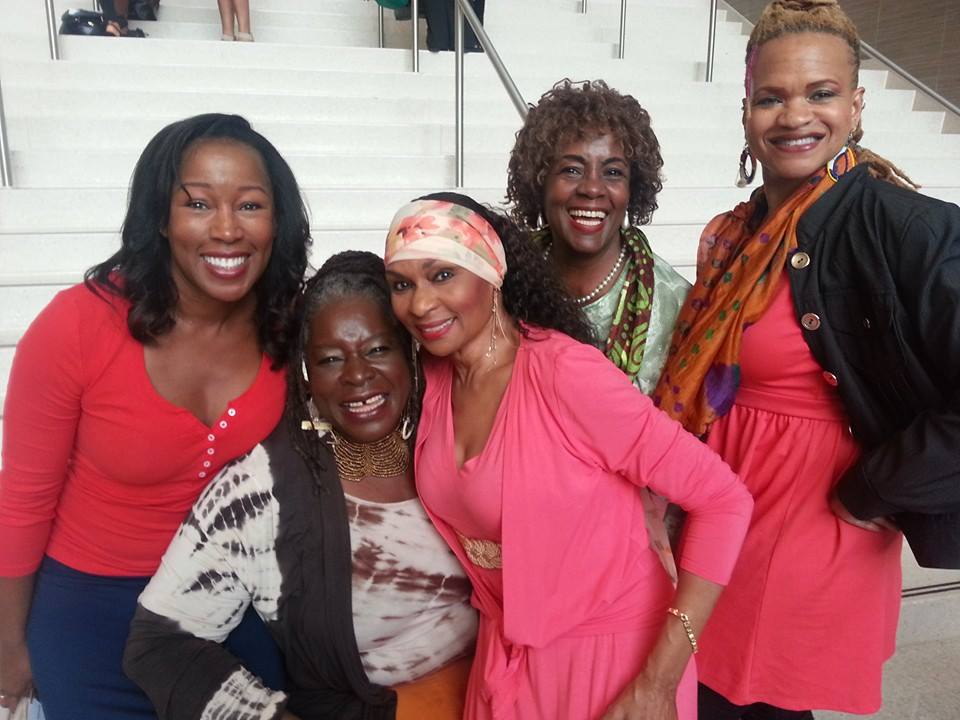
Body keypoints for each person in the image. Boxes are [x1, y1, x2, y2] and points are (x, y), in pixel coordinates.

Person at [652, 1, 960, 717]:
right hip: (722, 505)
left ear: (856, 105)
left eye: (820, 93)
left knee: (750, 702)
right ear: (746, 111)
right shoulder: (735, 233)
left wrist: (876, 487)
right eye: (772, 96)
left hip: (812, 520)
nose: (795, 115)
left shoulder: (907, 227)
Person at [383, 192, 753, 719]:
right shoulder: (433, 378)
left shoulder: (564, 374)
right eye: (403, 284)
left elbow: (724, 500)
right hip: (506, 657)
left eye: (442, 274)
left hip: (611, 662)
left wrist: (658, 681)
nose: (420, 304)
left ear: (491, 274)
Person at [0, 113, 311, 719]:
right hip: (91, 615)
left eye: (250, 206)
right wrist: (7, 642)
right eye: (198, 204)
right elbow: (22, 500)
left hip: (227, 605)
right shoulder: (77, 326)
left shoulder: (287, 323)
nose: (227, 230)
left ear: (277, 222)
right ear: (161, 220)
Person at [123, 251, 478, 720]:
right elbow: (159, 643)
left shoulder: (459, 439)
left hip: (507, 694)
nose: (357, 376)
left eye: (377, 349)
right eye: (331, 358)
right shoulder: (262, 489)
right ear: (307, 373)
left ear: (410, 352)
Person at [508, 79, 692, 577]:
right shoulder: (503, 285)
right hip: (514, 537)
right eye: (571, 169)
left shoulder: (675, 305)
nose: (592, 188)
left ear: (633, 189)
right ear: (539, 181)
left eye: (613, 172)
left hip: (629, 554)